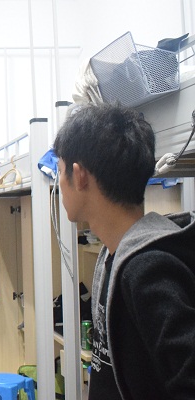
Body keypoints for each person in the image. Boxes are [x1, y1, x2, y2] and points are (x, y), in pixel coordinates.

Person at [53, 103, 195, 399]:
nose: (59, 185)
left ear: (80, 176)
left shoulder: (148, 269)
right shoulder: (114, 254)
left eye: (60, 171)